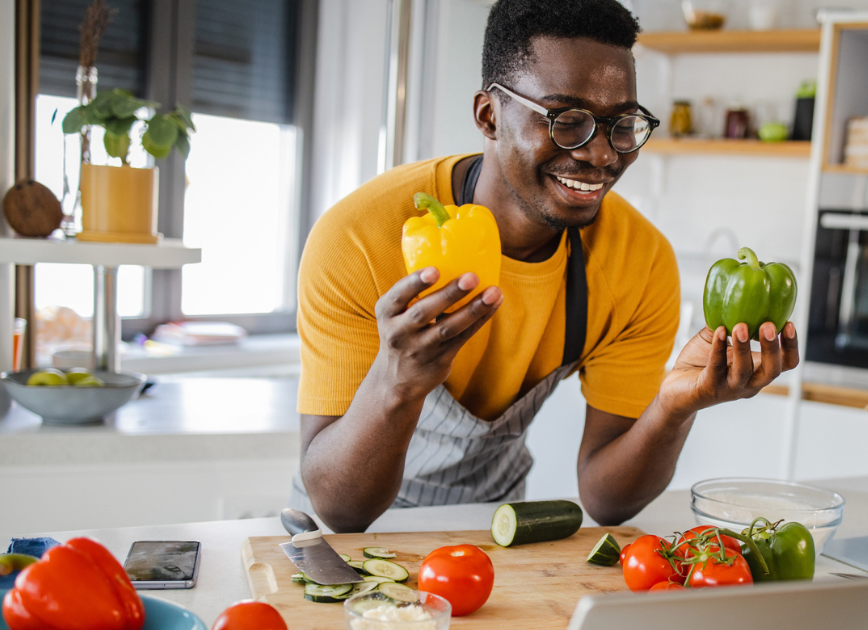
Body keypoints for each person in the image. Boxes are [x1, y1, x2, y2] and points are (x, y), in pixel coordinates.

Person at [292, 0, 799, 533]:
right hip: (338, 540)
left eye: (621, 123)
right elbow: (341, 509)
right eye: (567, 120)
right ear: (490, 116)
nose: (602, 155)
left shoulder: (639, 262)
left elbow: (607, 501)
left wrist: (674, 408)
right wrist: (396, 382)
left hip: (495, 527)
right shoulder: (359, 238)